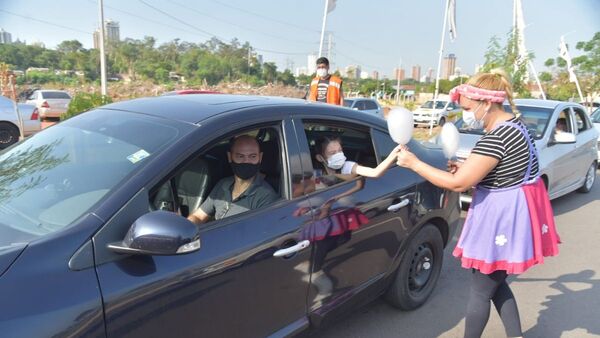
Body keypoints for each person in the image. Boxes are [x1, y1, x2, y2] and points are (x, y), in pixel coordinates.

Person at [394, 69, 560, 338]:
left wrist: (414, 164)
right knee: (495, 282)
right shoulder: (517, 127)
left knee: (481, 291)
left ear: (486, 103)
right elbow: (505, 170)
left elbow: (458, 184)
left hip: (499, 220)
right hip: (514, 216)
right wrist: (466, 166)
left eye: (468, 108)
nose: (466, 115)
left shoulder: (496, 137)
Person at [188, 135, 279, 224]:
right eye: (240, 156)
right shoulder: (223, 184)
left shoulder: (265, 197)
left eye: (253, 156)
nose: (246, 161)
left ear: (260, 157)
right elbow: (199, 216)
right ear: (230, 157)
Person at [314, 136, 397, 184]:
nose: (338, 155)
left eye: (340, 150)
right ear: (320, 158)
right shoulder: (314, 173)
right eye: (332, 153)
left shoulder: (348, 166)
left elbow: (375, 172)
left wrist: (394, 154)